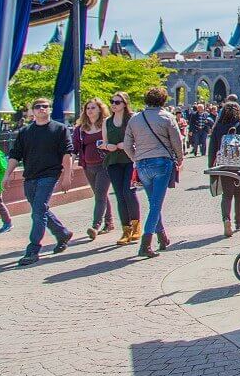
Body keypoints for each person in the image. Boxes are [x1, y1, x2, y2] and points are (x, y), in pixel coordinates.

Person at [3, 97, 74, 267]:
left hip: (50, 175)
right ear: (32, 111)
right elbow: (15, 155)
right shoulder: (25, 132)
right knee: (39, 209)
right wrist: (6, 175)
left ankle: (33, 249)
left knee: (38, 210)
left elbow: (67, 153)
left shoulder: (60, 129)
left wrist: (67, 175)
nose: (41, 109)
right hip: (30, 176)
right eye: (37, 106)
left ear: (50, 109)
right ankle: (62, 233)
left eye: (45, 106)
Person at [119, 87, 182, 258]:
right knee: (156, 205)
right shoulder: (167, 117)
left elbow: (127, 145)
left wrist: (136, 158)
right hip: (162, 162)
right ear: (163, 100)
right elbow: (176, 141)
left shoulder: (135, 119)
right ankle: (145, 244)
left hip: (142, 164)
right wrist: (180, 158)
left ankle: (162, 237)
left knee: (153, 202)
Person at [208, 102, 240, 237]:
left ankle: (226, 219)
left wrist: (211, 167)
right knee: (239, 193)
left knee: (226, 194)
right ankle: (238, 223)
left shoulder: (218, 127)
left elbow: (212, 149)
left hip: (224, 165)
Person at [100, 92, 141, 246]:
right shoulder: (107, 122)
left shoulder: (132, 119)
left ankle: (136, 225)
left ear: (125, 103)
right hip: (114, 161)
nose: (114, 104)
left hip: (130, 160)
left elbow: (140, 139)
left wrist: (128, 145)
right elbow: (103, 142)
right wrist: (107, 146)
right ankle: (126, 229)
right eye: (112, 101)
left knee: (128, 192)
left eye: (117, 102)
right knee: (119, 195)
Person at [72, 97, 114, 240]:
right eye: (87, 108)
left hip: (104, 165)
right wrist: (69, 167)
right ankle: (109, 223)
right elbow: (75, 148)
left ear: (100, 110)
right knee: (100, 194)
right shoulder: (80, 129)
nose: (90, 111)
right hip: (88, 166)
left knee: (100, 195)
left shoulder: (107, 125)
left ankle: (95, 226)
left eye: (93, 108)